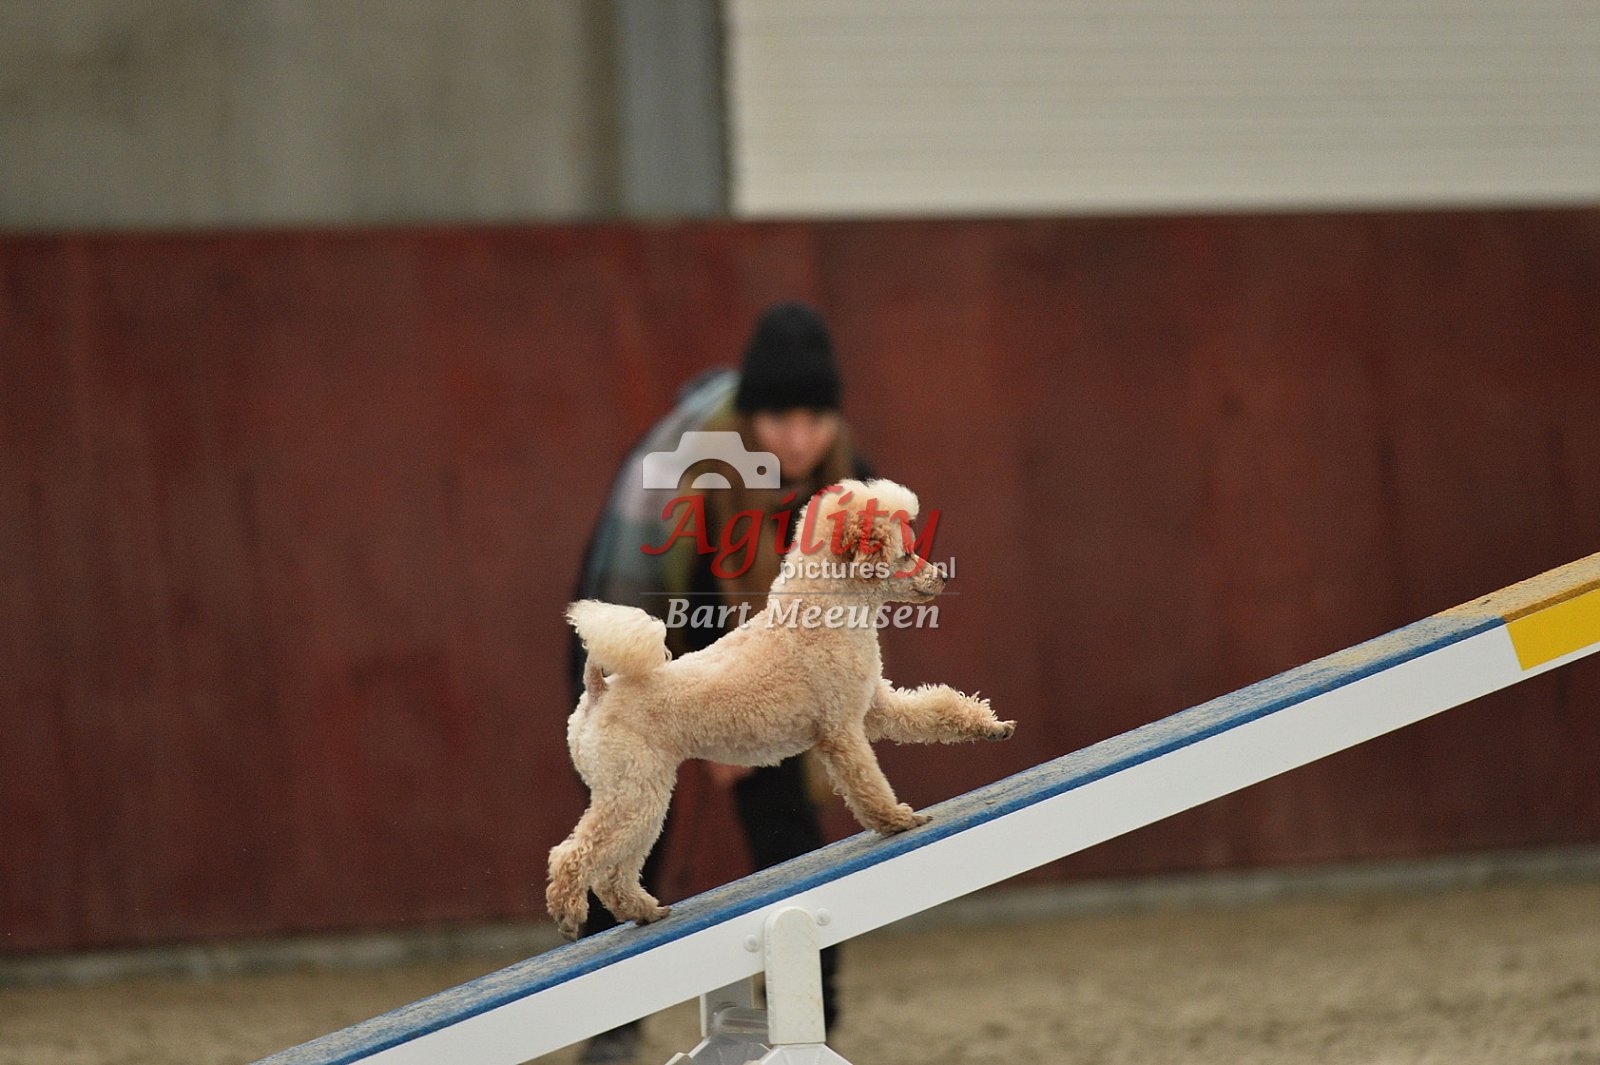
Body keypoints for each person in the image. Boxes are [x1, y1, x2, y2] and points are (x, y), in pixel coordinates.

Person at [569, 302, 869, 1063]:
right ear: (748, 417)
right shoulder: (684, 469)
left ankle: (811, 1023)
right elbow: (640, 604)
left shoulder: (850, 481)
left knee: (793, 844)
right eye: (778, 419)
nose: (798, 440)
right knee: (628, 832)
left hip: (774, 671)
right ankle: (609, 1027)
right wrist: (703, 717)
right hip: (642, 650)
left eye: (814, 419)